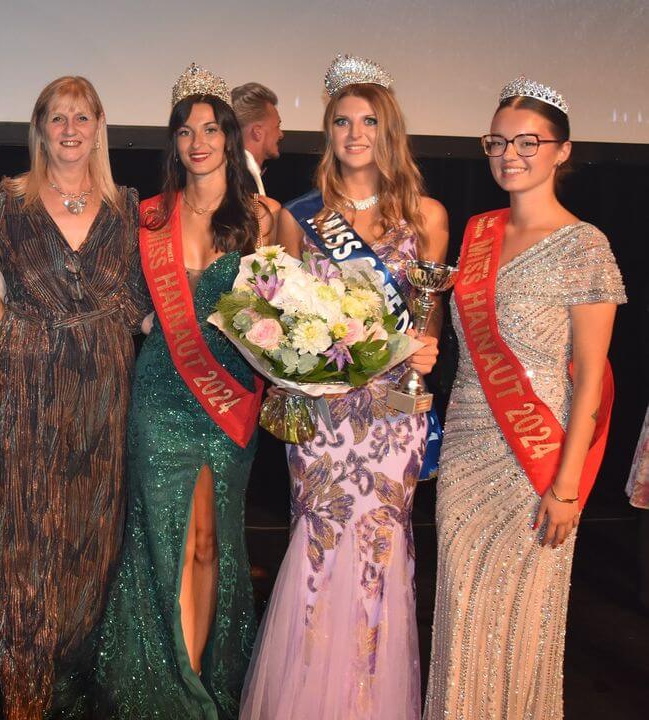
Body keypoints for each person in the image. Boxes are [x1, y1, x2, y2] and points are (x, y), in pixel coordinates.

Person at [240, 55, 448, 720]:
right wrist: (310, 370)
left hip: (392, 417)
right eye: (341, 121)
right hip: (325, 416)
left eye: (369, 121)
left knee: (381, 553)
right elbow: (270, 319)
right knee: (321, 547)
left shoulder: (429, 216)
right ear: (327, 132)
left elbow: (427, 322)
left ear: (389, 131)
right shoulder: (299, 219)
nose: (355, 132)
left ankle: (367, 700)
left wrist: (424, 346)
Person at [424, 77, 625, 720]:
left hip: (536, 463)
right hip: (465, 452)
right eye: (498, 142)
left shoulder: (585, 246)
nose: (510, 154)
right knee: (461, 612)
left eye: (528, 141)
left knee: (523, 625)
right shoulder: (480, 232)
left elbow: (591, 379)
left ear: (562, 151)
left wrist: (567, 488)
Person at [94, 65, 277, 719]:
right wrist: (142, 318)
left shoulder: (262, 217)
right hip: (160, 395)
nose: (197, 141)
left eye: (209, 129)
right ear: (173, 142)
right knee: (165, 534)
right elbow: (113, 296)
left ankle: (202, 673)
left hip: (230, 397)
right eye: (185, 131)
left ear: (229, 138)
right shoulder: (146, 216)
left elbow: (296, 310)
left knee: (211, 540)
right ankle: (172, 682)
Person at [0, 75, 147, 719]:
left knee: (93, 533)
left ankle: (81, 692)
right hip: (29, 381)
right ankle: (26, 694)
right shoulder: (9, 200)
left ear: (99, 126)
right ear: (40, 127)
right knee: (28, 534)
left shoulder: (129, 205)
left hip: (104, 387)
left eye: (82, 117)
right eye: (57, 117)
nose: (70, 129)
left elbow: (139, 297)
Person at [230, 82, 283, 195]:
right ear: (257, 132)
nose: (281, 134)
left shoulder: (237, 172)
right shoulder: (240, 181)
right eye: (277, 126)